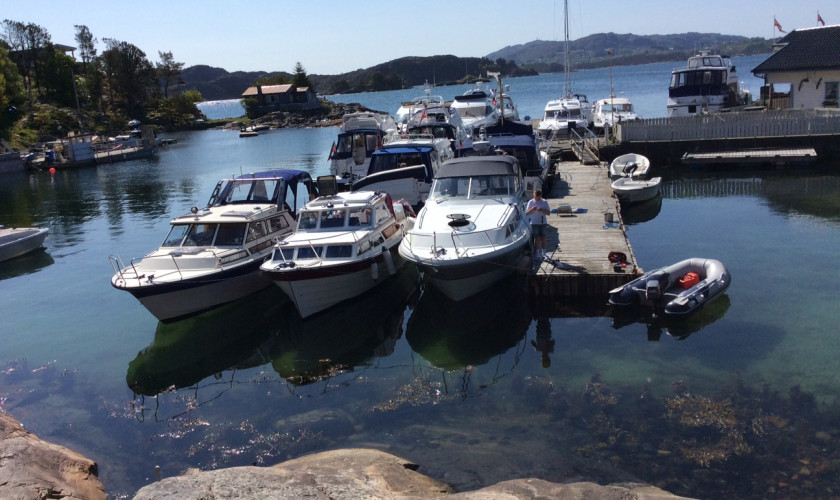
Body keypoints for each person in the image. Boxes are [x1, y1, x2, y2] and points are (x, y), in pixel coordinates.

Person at [526, 189, 550, 259]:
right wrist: (532, 209)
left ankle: (544, 253)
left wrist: (542, 210)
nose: (537, 199)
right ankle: (537, 253)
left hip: (543, 223)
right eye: (536, 197)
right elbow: (527, 213)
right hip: (534, 223)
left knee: (543, 238)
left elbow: (548, 213)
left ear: (541, 196)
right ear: (534, 196)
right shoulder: (531, 202)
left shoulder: (544, 202)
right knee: (536, 239)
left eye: (539, 198)